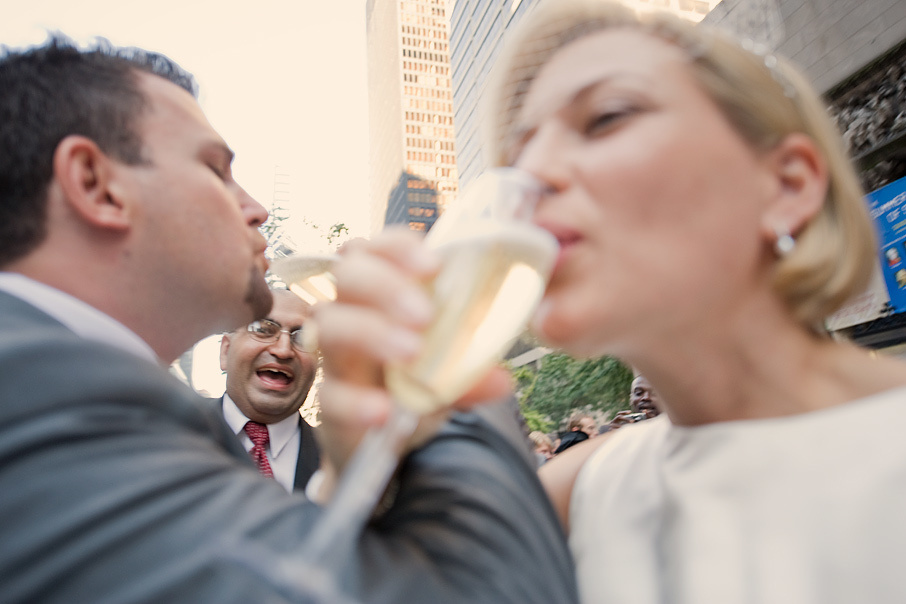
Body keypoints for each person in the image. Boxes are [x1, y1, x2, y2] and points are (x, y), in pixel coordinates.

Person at [315, 0, 906, 602]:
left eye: (606, 117)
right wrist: (366, 477)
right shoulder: (582, 495)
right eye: (517, 156)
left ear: (786, 185)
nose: (534, 172)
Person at [0, 37, 577, 603]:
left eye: (301, 336)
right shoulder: (48, 404)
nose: (257, 209)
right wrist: (445, 360)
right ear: (95, 184)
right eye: (216, 169)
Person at [216, 288, 320, 493]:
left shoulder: (349, 467)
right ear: (226, 351)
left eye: (302, 338)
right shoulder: (168, 435)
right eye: (263, 329)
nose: (283, 350)